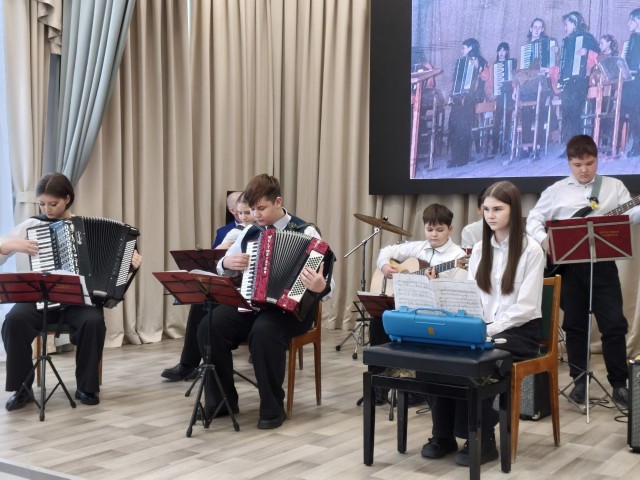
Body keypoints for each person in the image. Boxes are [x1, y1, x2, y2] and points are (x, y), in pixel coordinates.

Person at [421, 180, 544, 467]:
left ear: (513, 210)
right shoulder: (478, 249)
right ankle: (443, 435)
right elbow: (470, 297)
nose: (490, 215)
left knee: (476, 359)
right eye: (486, 209)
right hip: (484, 326)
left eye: (498, 209)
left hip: (519, 331)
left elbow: (525, 308)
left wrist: (486, 330)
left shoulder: (532, 250)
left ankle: (483, 439)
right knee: (434, 356)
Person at [196, 174, 334, 429]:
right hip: (252, 305)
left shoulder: (306, 231)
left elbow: (327, 287)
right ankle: (222, 401)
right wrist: (226, 262)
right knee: (209, 326)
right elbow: (222, 266)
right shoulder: (249, 232)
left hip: (292, 311)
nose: (255, 215)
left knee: (264, 331)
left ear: (278, 202)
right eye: (251, 210)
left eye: (261, 208)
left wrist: (320, 286)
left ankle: (272, 407)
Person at [0, 173, 142, 410]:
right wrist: (8, 245)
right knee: (14, 321)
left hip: (78, 300)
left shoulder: (83, 227)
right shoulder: (31, 226)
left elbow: (114, 268)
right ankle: (22, 388)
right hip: (39, 298)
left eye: (53, 204)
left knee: (93, 322)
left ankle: (87, 387)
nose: (47, 210)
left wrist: (130, 262)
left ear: (67, 199)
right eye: (42, 204)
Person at [527, 134, 640, 408]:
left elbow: (632, 215)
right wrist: (544, 240)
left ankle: (619, 384)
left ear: (597, 160)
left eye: (589, 163)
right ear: (569, 162)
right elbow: (533, 219)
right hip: (569, 269)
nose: (584, 170)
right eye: (578, 165)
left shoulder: (614, 187)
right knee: (575, 325)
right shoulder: (555, 191)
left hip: (603, 266)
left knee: (614, 324)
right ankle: (579, 382)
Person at [369, 204, 468, 405]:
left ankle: (418, 387)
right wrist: (385, 266)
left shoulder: (457, 257)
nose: (434, 234)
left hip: (437, 314)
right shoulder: (418, 247)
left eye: (439, 230)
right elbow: (386, 250)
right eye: (429, 229)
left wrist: (435, 285)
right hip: (409, 308)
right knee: (378, 321)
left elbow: (457, 297)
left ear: (450, 229)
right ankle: (378, 383)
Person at [161, 192, 251, 382]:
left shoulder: (264, 229)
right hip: (230, 283)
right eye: (240, 213)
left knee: (216, 314)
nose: (243, 217)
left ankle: (216, 360)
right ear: (233, 211)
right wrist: (225, 258)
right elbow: (214, 263)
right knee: (201, 302)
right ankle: (188, 364)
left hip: (249, 292)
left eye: (248, 212)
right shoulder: (226, 232)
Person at [448, 38, 490, 167]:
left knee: (464, 126)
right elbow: (456, 81)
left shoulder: (481, 61)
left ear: (471, 48)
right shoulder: (460, 62)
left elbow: (486, 77)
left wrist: (478, 67)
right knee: (453, 124)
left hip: (472, 97)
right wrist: (452, 94)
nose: (462, 51)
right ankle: (455, 157)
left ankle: (462, 158)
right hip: (458, 97)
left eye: (464, 48)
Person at [559, 11, 599, 143]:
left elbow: (598, 54)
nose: (565, 28)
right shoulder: (566, 41)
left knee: (575, 111)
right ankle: (568, 143)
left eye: (566, 25)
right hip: (568, 81)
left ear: (574, 24)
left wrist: (587, 52)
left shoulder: (587, 38)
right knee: (566, 111)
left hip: (581, 80)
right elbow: (563, 61)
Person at [622, 8, 640, 157]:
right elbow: (628, 60)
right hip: (631, 80)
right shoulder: (632, 38)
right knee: (632, 111)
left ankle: (637, 144)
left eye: (631, 20)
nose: (628, 23)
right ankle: (636, 143)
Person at [491, 42, 514, 155]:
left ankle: (505, 145)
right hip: (499, 96)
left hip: (509, 96)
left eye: (504, 51)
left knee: (507, 120)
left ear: (507, 52)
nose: (501, 53)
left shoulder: (511, 64)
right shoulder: (493, 66)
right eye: (499, 50)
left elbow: (514, 80)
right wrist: (491, 92)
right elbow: (490, 82)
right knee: (497, 121)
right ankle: (495, 146)